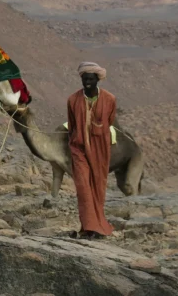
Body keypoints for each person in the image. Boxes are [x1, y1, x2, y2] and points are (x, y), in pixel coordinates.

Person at [67, 62, 116, 239]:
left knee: (98, 186)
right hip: (78, 148)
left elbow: (109, 120)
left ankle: (97, 225)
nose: (87, 82)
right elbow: (71, 124)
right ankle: (89, 227)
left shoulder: (109, 99)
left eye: (90, 79)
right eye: (84, 79)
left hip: (99, 148)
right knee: (83, 187)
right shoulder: (73, 100)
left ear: (97, 79)